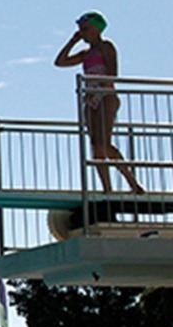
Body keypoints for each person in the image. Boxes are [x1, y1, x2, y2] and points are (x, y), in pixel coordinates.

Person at [54, 11, 144, 193]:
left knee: (104, 142)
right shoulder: (85, 53)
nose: (82, 33)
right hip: (91, 100)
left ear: (96, 29)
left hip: (105, 96)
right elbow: (60, 62)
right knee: (96, 145)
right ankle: (107, 188)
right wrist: (72, 41)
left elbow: (112, 73)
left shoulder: (106, 47)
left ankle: (132, 182)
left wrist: (97, 90)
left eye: (85, 29)